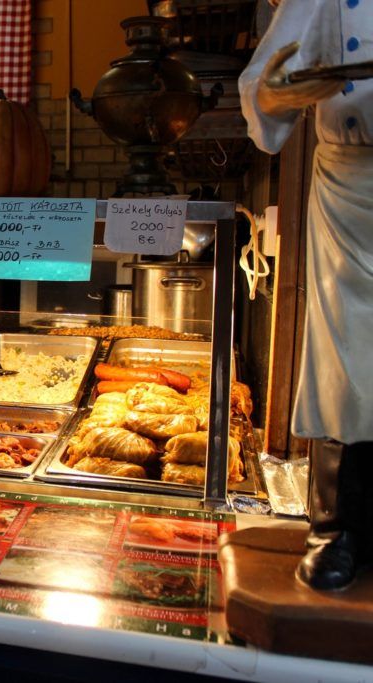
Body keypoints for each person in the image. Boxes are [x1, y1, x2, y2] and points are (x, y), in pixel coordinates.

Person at [240, 0, 373, 591]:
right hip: (351, 180)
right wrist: (276, 96)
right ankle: (335, 528)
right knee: (344, 357)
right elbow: (265, 83)